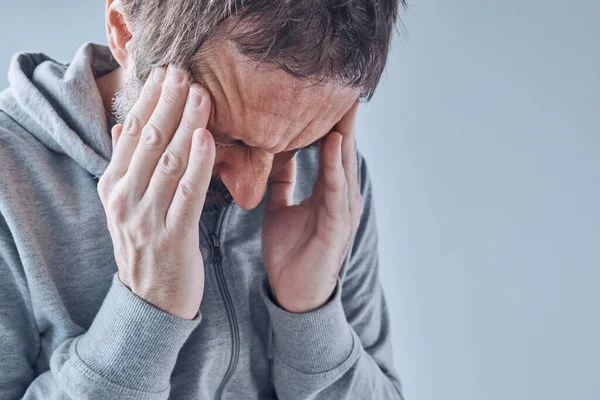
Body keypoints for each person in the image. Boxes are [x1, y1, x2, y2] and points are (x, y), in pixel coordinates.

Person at [0, 0, 405, 399]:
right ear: (125, 32)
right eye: (226, 138)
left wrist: (313, 318)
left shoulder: (326, 183)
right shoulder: (8, 186)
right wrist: (146, 310)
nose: (251, 195)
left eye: (298, 143)